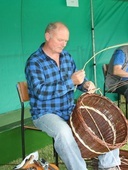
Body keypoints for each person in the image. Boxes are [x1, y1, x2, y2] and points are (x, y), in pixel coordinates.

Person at [25, 22, 120, 170]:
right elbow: (40, 92)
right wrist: (70, 82)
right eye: (60, 40)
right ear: (47, 36)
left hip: (68, 109)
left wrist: (86, 84)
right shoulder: (34, 62)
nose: (64, 44)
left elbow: (79, 80)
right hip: (45, 113)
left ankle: (109, 166)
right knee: (63, 132)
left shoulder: (67, 57)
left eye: (66, 41)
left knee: (101, 120)